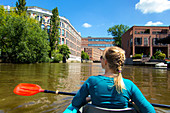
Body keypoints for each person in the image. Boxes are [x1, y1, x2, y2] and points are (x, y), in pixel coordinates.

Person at [64, 46, 155, 113]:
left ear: (106, 61)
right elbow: (150, 111)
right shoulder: (129, 85)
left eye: (101, 58)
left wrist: (88, 99)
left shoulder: (92, 81)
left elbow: (75, 103)